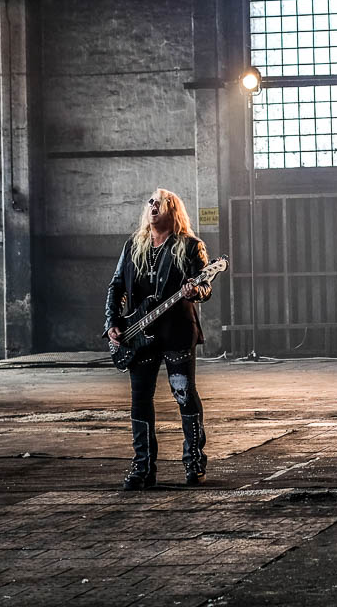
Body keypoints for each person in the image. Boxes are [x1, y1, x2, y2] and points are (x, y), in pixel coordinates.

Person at [106, 188, 214, 490]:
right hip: (138, 334)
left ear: (173, 210)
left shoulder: (190, 246)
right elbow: (116, 286)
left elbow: (205, 286)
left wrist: (196, 290)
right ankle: (143, 468)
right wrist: (112, 322)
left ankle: (194, 462)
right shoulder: (133, 245)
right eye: (151, 202)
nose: (154, 207)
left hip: (176, 332)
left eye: (161, 203)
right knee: (140, 399)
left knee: (184, 394)